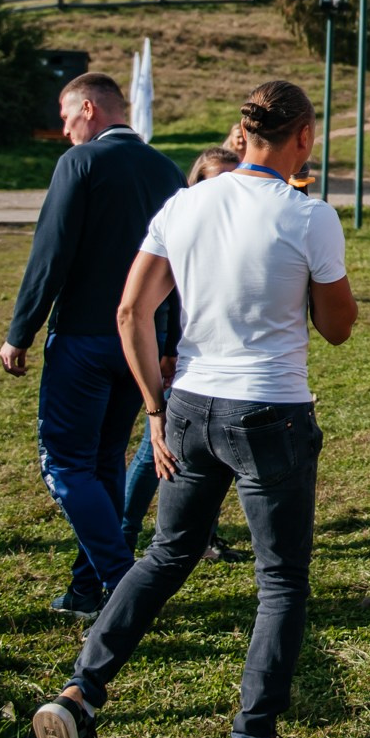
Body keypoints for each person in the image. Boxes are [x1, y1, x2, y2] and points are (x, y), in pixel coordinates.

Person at [33, 80, 356, 738]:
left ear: (242, 136)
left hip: (190, 407)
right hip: (270, 409)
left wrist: (153, 406)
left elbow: (130, 311)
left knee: (164, 555)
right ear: (303, 138)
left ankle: (81, 692)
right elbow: (337, 328)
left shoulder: (183, 204)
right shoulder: (309, 215)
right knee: (280, 582)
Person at [1, 73, 185, 617]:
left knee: (63, 464)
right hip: (142, 343)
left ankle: (124, 585)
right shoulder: (167, 170)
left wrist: (20, 331)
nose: (63, 130)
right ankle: (86, 590)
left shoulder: (79, 165)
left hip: (83, 337)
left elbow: (50, 255)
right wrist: (169, 340)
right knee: (105, 460)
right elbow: (179, 270)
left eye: (65, 117)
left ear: (88, 108)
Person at [117, 146, 245, 564]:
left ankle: (204, 536)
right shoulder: (182, 228)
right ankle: (124, 532)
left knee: (207, 456)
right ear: (196, 185)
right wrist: (168, 351)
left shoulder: (241, 231)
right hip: (181, 358)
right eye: (216, 180)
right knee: (155, 449)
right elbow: (150, 306)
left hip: (220, 364)